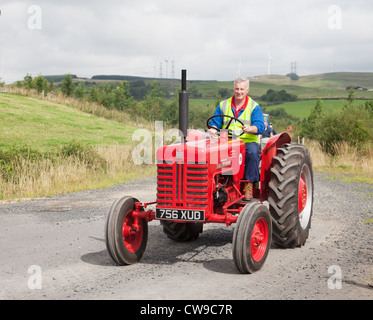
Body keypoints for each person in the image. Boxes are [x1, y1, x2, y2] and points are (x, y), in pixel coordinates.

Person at [207, 77, 265, 200]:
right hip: (226, 141)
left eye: (242, 89)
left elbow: (260, 126)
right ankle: (213, 185)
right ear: (233, 89)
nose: (239, 92)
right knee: (211, 153)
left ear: (247, 90)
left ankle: (248, 185)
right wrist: (212, 128)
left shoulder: (254, 107)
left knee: (252, 153)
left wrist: (251, 128)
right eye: (237, 89)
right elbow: (215, 122)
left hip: (247, 141)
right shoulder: (224, 104)